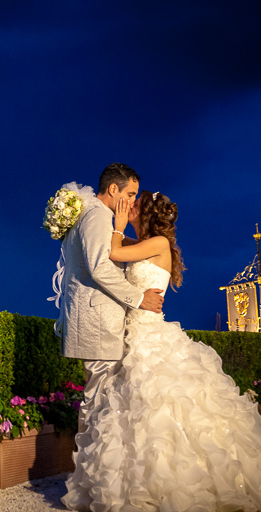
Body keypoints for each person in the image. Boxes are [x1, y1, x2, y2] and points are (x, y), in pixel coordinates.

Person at [60, 190, 261, 512]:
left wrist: (117, 223)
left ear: (146, 212)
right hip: (131, 335)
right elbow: (105, 258)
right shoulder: (147, 243)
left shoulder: (159, 243)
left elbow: (112, 251)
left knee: (157, 408)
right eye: (128, 202)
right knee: (133, 412)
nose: (128, 206)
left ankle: (178, 486)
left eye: (134, 204)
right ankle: (141, 484)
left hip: (148, 336)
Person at [53, 164, 165, 436]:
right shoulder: (97, 216)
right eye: (131, 193)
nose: (133, 201)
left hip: (97, 319)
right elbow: (99, 267)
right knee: (98, 400)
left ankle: (95, 466)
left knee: (102, 397)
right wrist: (139, 298)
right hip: (97, 321)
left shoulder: (98, 217)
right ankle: (88, 471)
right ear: (113, 189)